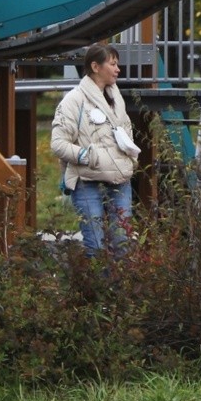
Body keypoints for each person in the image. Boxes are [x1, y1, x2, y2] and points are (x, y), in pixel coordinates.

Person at [51, 43, 141, 256]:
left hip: (120, 177)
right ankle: (97, 289)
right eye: (112, 64)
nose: (118, 69)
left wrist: (131, 157)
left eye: (117, 64)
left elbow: (126, 131)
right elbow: (58, 143)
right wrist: (88, 156)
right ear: (95, 66)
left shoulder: (116, 97)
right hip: (87, 180)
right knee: (96, 245)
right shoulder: (73, 100)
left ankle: (119, 288)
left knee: (122, 242)